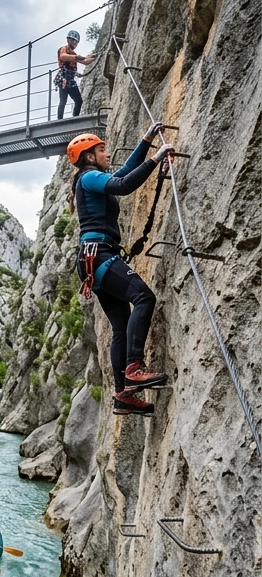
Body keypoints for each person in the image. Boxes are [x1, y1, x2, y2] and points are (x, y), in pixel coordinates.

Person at [66, 123, 173, 415]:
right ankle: (134, 367)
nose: (107, 152)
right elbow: (123, 186)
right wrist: (156, 159)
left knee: (120, 326)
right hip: (99, 256)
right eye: (102, 150)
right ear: (89, 157)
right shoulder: (88, 178)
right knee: (144, 297)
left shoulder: (90, 179)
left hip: (92, 259)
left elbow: (121, 174)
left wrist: (147, 141)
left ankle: (122, 395)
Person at [57, 30, 97, 119]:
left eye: (75, 41)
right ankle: (60, 120)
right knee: (63, 101)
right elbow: (63, 56)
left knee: (78, 101)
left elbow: (85, 62)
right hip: (64, 80)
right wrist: (76, 57)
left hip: (70, 80)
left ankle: (75, 118)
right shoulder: (64, 49)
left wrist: (94, 58)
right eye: (72, 41)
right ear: (68, 40)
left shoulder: (73, 54)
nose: (74, 43)